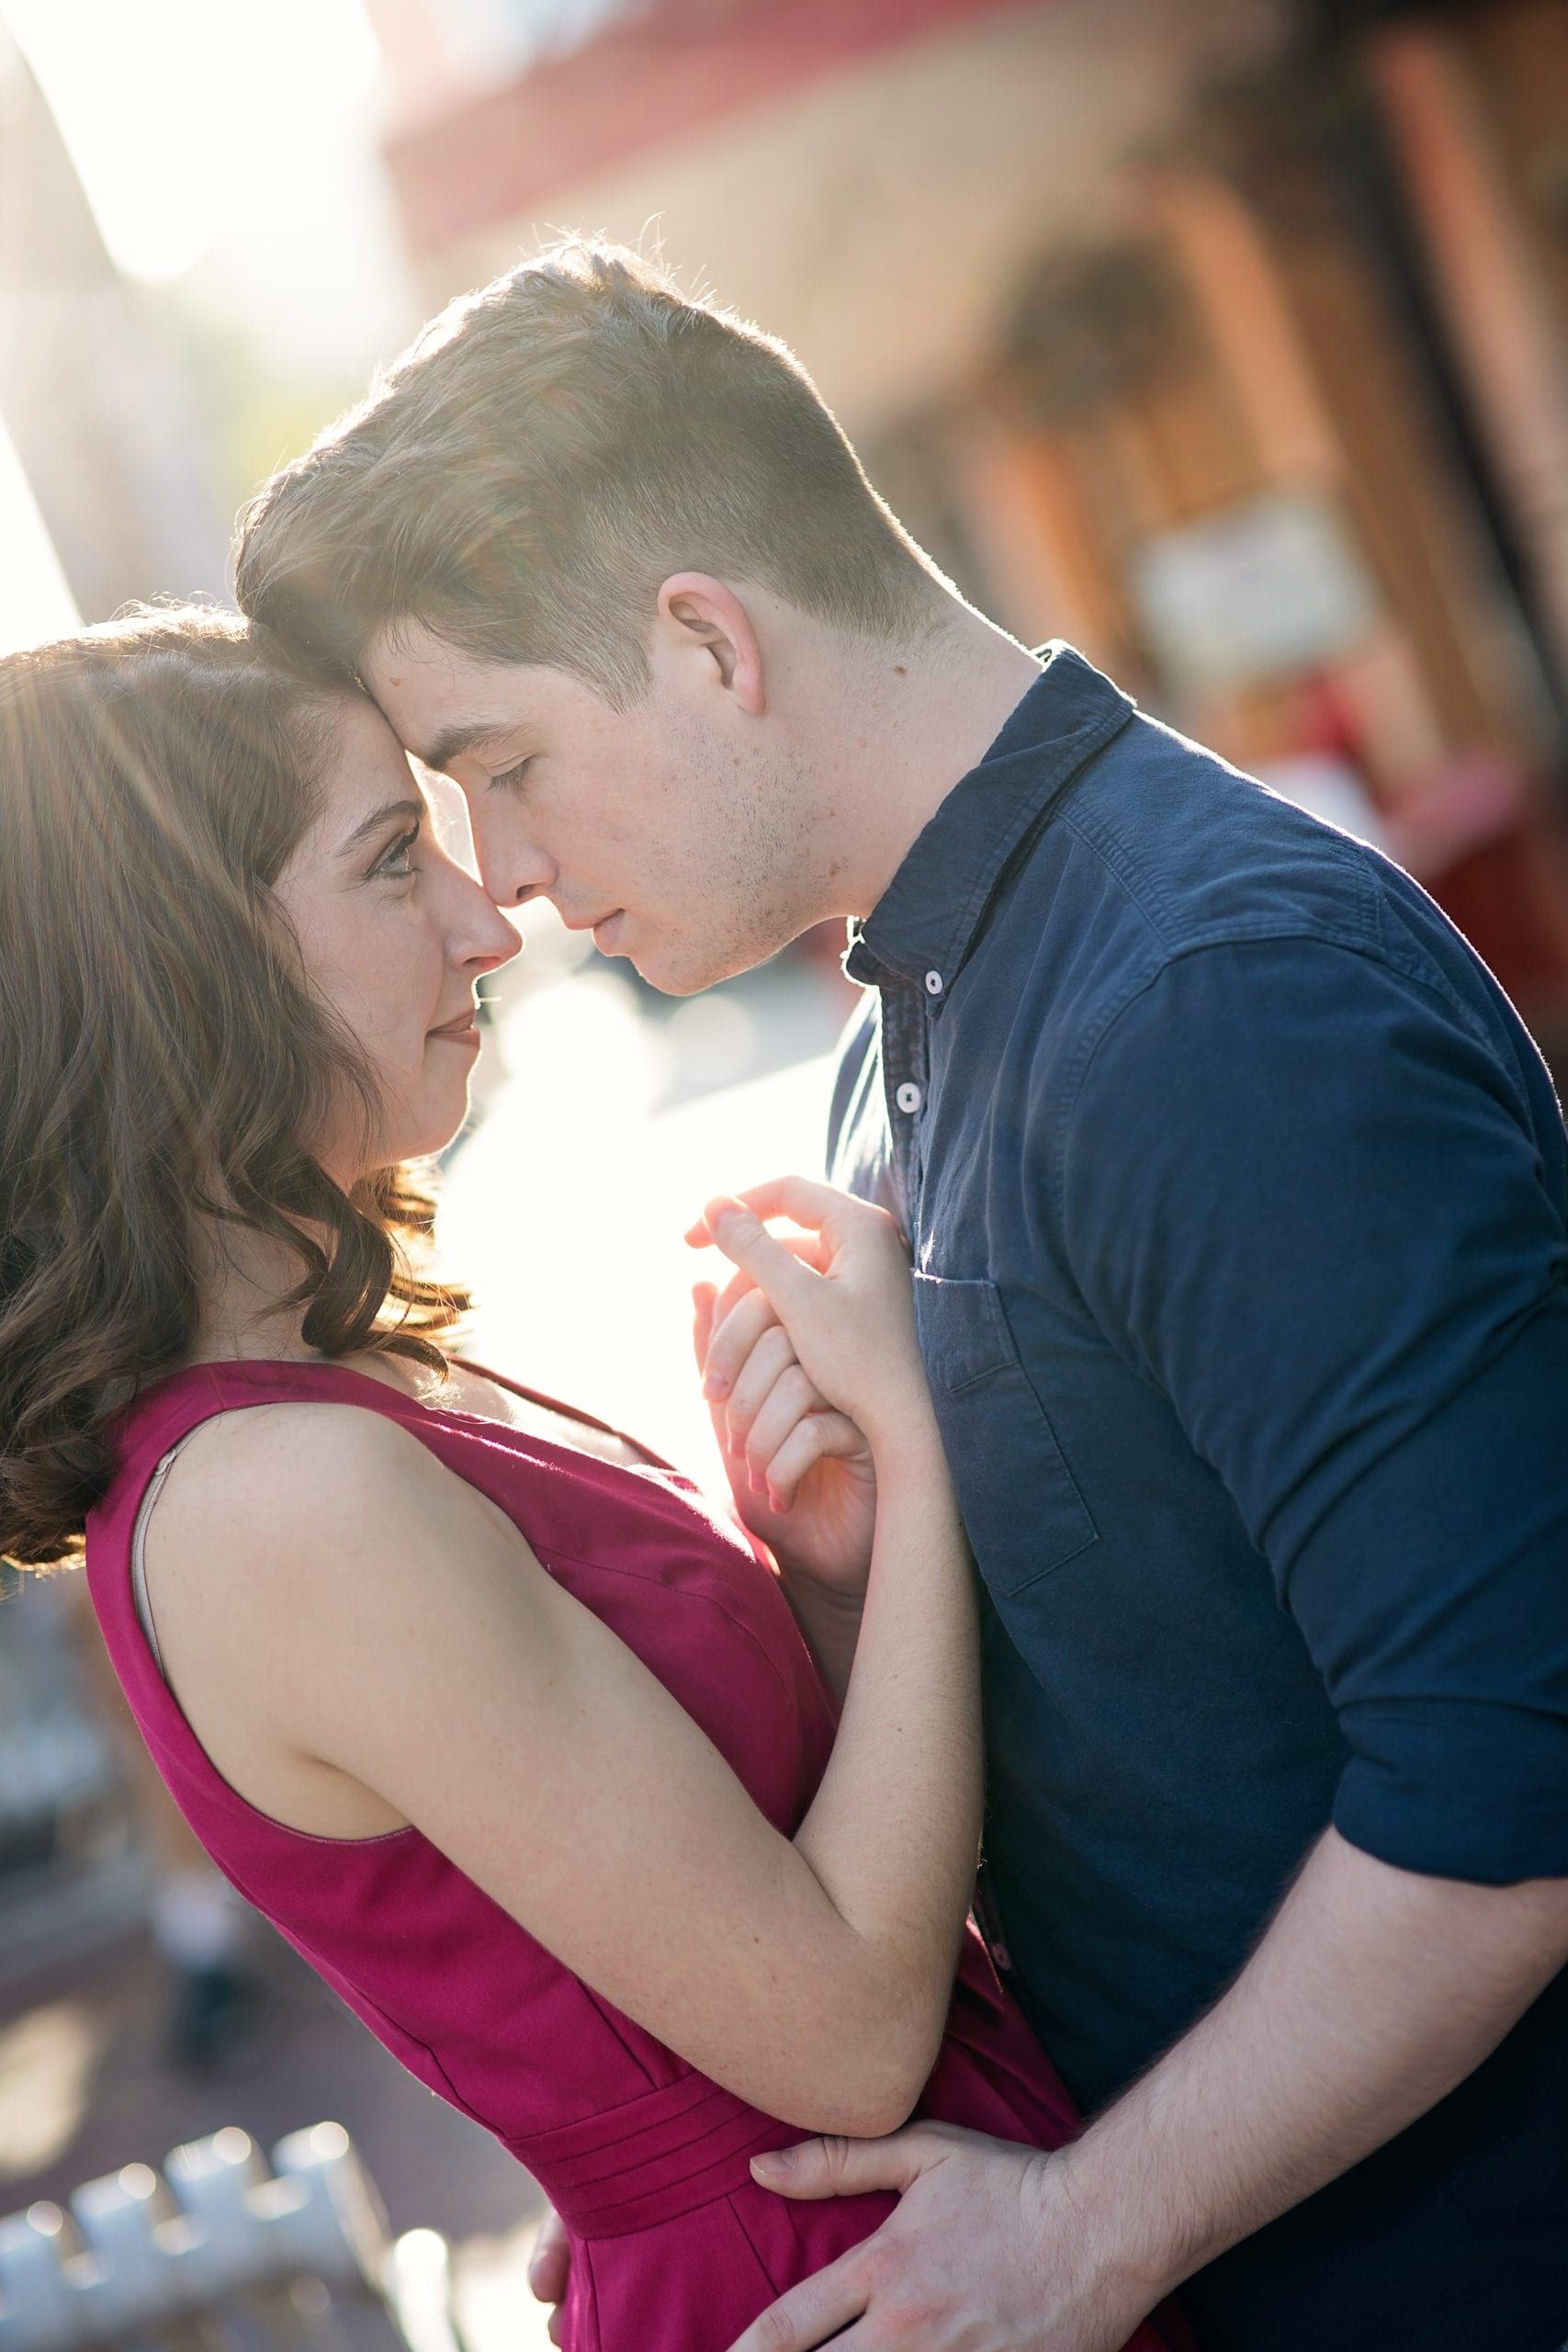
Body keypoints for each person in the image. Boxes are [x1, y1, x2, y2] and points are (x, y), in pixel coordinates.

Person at [234, 242, 1568, 2352]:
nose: (498, 869)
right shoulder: (910, 1019)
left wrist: (1079, 2232)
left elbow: (1509, 1796)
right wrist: (849, 1573)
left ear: (703, 643)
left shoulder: (1209, 999)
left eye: (497, 760)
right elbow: (1148, 1715)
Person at [0, 611, 1190, 2352]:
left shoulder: (340, 1393)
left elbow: (802, 1884)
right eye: (393, 860)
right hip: (835, 2282)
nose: (490, 922)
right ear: (176, 968)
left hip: (904, 2242)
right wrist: (926, 1463)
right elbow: (849, 2031)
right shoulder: (281, 1501)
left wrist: (842, 1584)